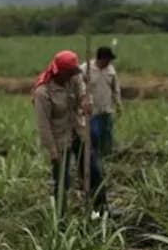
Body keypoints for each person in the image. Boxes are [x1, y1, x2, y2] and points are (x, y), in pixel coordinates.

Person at [33, 50, 107, 216]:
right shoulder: (43, 92)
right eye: (70, 73)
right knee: (62, 181)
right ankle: (60, 216)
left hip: (78, 132)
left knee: (93, 172)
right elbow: (43, 125)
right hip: (59, 140)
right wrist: (52, 151)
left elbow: (82, 94)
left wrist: (86, 103)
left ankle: (101, 210)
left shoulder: (74, 78)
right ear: (61, 72)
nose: (73, 75)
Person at [86, 46, 122, 156]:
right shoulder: (86, 69)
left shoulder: (111, 70)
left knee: (107, 134)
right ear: (101, 59)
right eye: (107, 60)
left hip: (106, 109)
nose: (109, 62)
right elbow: (78, 87)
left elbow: (115, 88)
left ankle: (107, 156)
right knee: (94, 134)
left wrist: (118, 104)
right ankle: (93, 155)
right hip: (92, 111)